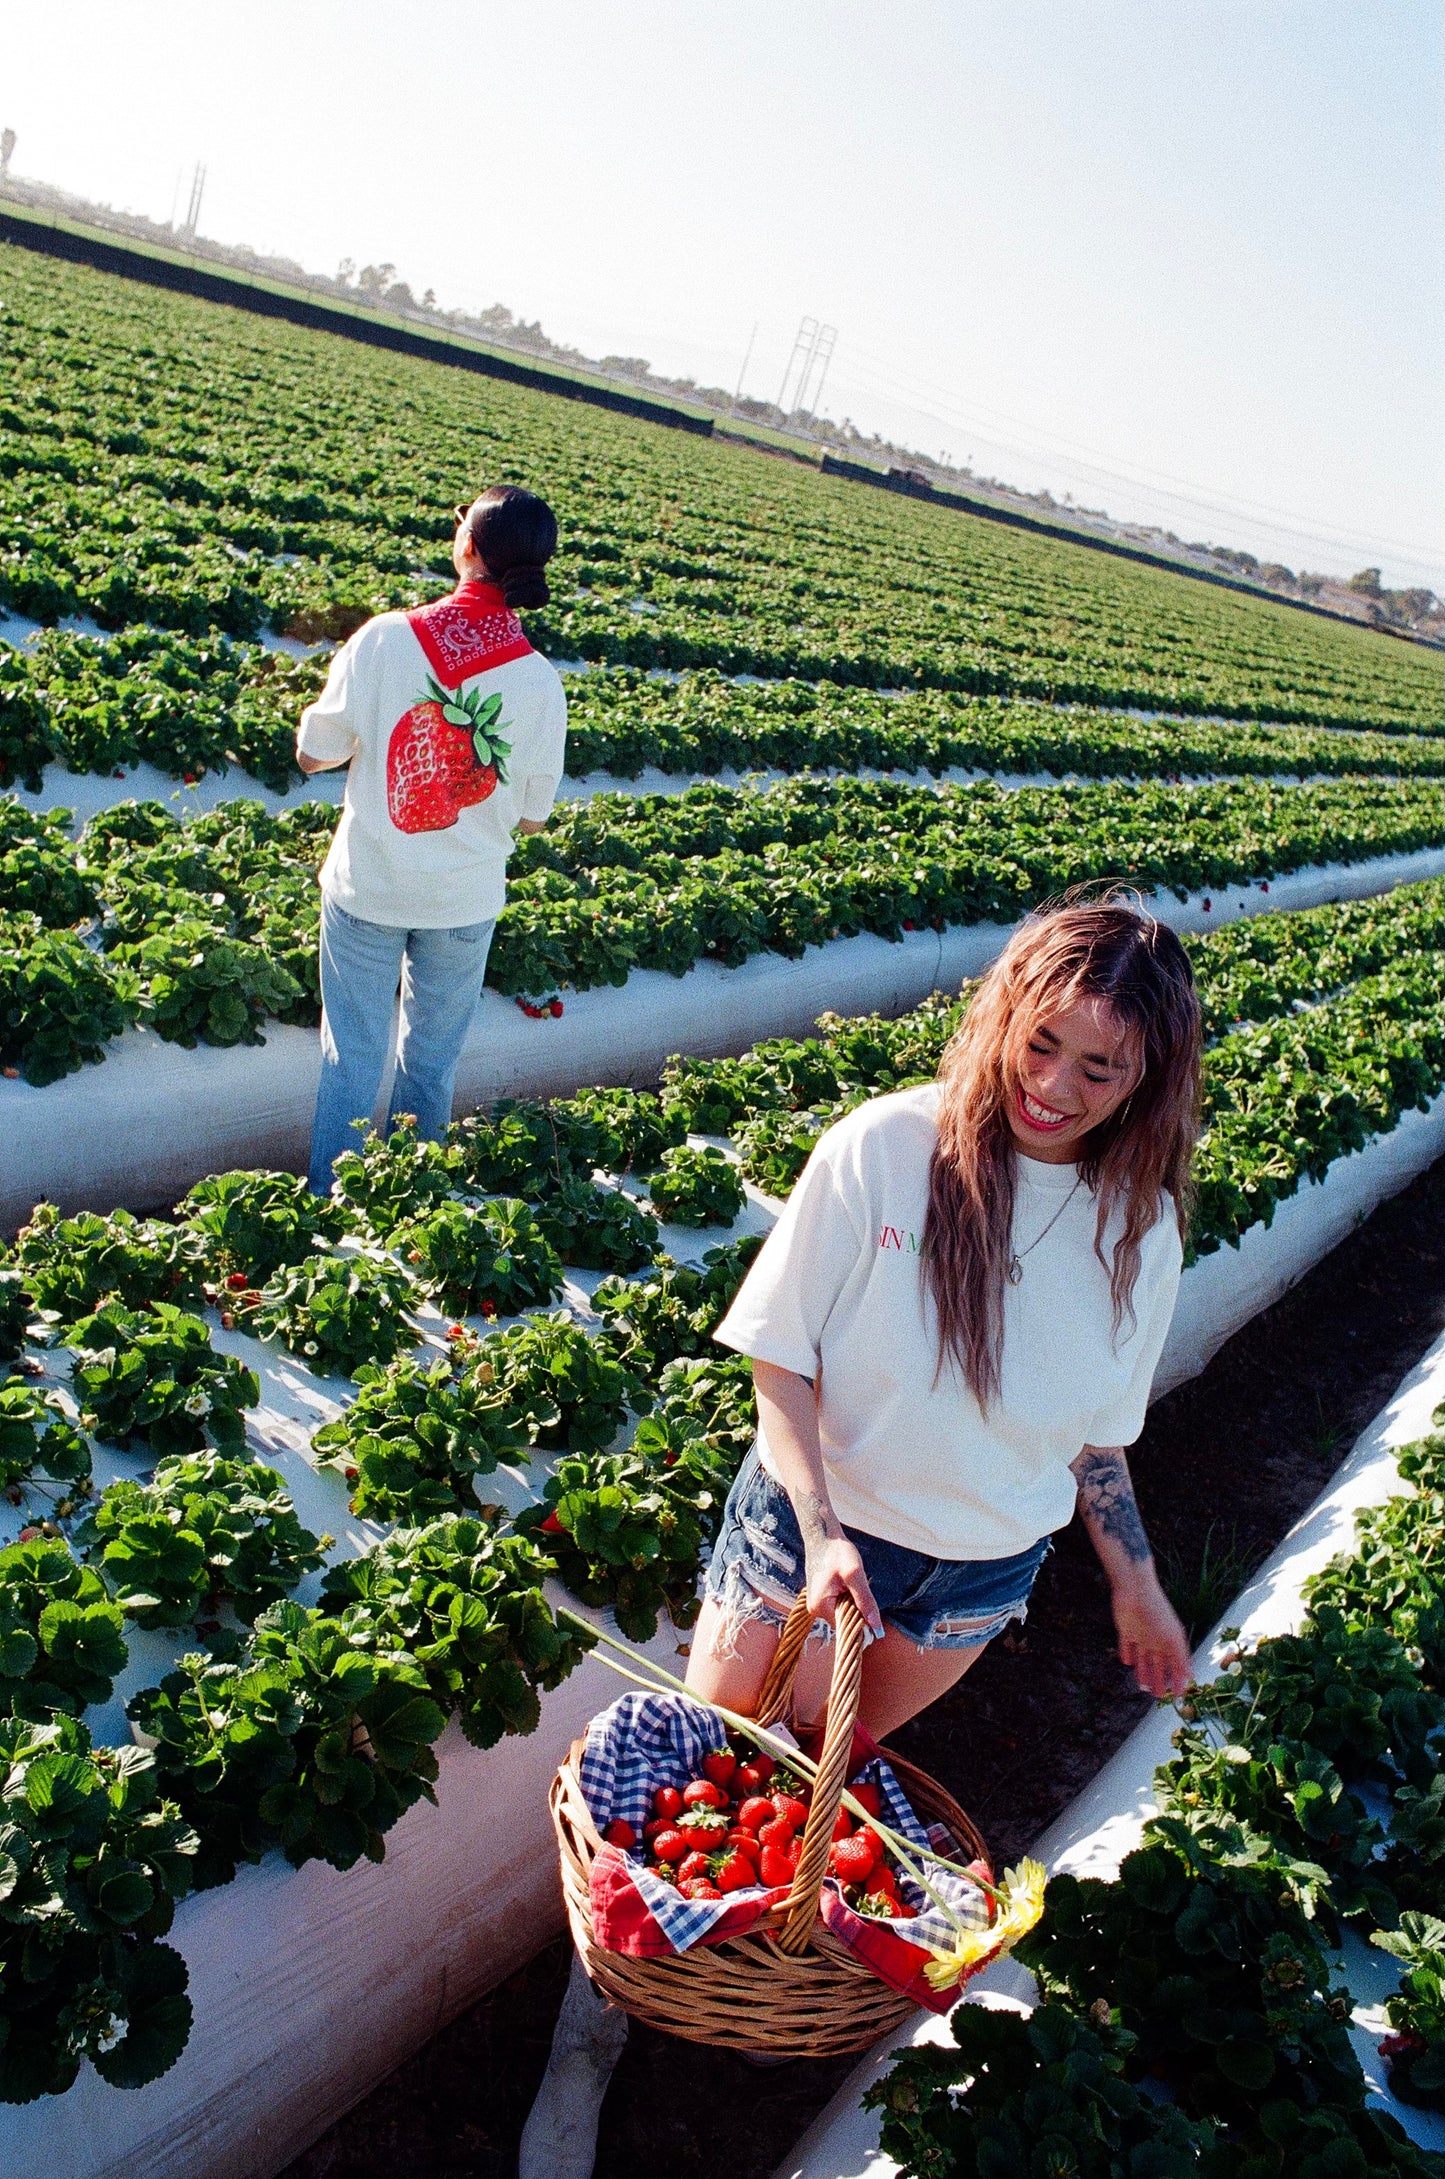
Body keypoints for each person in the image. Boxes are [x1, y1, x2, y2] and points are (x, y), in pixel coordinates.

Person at [520, 892, 1202, 2179]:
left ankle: (739, 2003)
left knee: (803, 1794)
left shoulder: (1138, 1229)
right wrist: (825, 1533)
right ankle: (590, 2037)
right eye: (1037, 1041)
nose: (1052, 1085)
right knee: (683, 1795)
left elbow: (1093, 1437)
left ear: (1147, 1080)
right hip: (805, 1540)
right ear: (1001, 1015)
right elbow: (777, 1367)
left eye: (1098, 1066)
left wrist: (1137, 1583)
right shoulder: (884, 1150)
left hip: (970, 1582)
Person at [295, 485, 566, 1195]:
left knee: (351, 1058)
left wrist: (371, 734)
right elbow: (532, 819)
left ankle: (333, 1203)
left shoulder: (384, 636)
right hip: (463, 897)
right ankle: (412, 1201)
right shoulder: (540, 683)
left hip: (368, 885)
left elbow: (313, 752)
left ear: (467, 546)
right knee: (432, 1063)